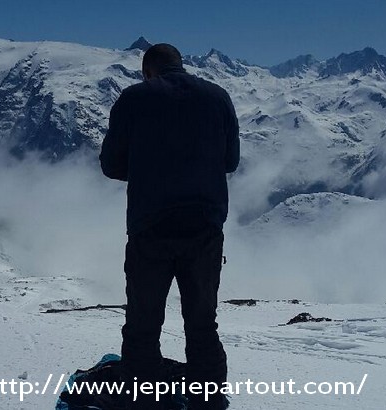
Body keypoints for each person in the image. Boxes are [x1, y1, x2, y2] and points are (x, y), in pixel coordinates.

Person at [99, 43, 240, 410]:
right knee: (202, 323)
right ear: (182, 65)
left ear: (148, 71)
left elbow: (111, 165)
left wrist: (149, 168)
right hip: (205, 229)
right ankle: (209, 401)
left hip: (151, 228)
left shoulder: (133, 99)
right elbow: (231, 161)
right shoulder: (218, 97)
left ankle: (145, 400)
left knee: (143, 323)